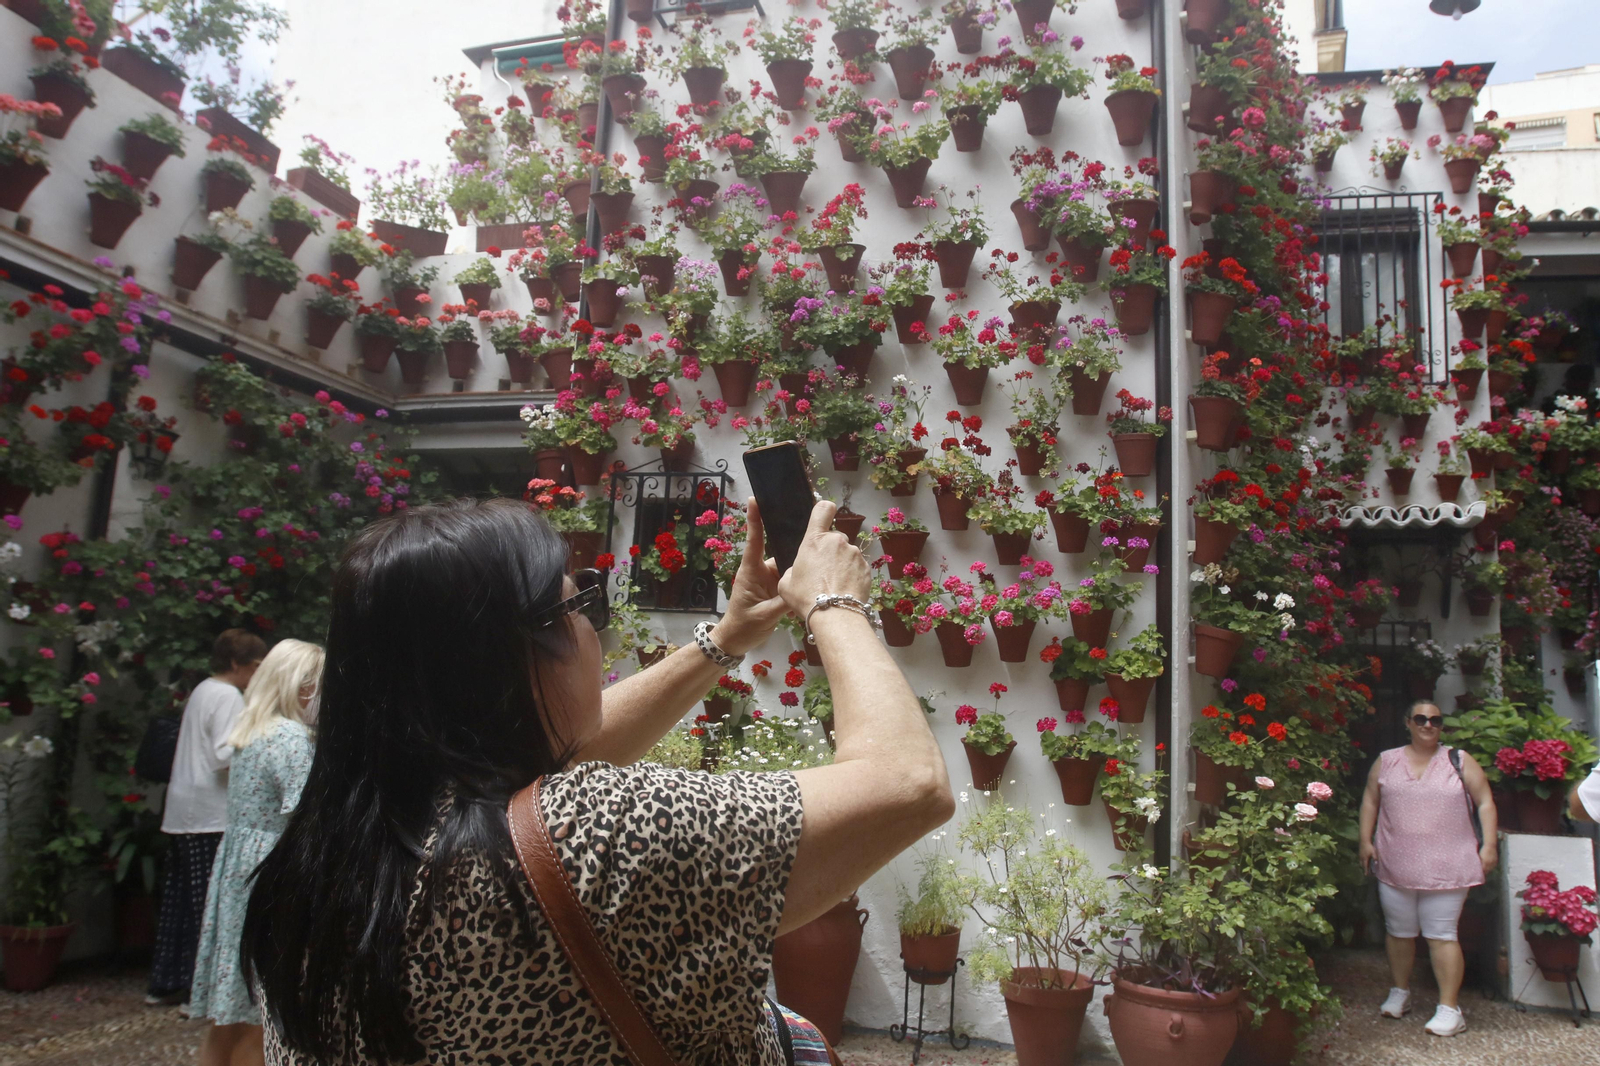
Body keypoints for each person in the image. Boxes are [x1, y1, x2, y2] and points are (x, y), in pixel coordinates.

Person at [242, 496, 954, 1064]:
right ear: (510, 661)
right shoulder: (592, 834)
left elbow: (561, 741)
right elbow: (908, 782)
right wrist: (835, 602)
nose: (595, 632)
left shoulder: (317, 866)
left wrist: (726, 637)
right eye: (579, 607)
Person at [191, 639, 323, 1066]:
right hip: (271, 878)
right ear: (301, 687)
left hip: (238, 872)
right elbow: (306, 815)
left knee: (229, 1018)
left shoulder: (253, 730)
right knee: (263, 1017)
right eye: (320, 686)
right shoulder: (292, 738)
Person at [1358, 700, 1498, 1037]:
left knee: (1442, 936)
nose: (1428, 724)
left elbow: (1485, 802)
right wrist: (1365, 840)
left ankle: (1450, 1009)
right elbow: (1369, 800)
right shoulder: (1387, 761)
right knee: (1399, 931)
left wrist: (1489, 845)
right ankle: (1400, 992)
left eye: (1435, 719)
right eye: (1421, 718)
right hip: (1395, 864)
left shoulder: (1459, 760)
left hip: (1448, 869)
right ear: (1408, 722)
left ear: (1441, 725)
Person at [147, 628, 266, 1007]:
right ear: (236, 663)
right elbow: (222, 755)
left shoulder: (202, 689)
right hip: (209, 813)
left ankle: (166, 983)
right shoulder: (229, 695)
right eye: (255, 666)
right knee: (208, 907)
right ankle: (202, 994)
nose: (258, 674)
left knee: (179, 904)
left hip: (183, 810)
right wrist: (260, 745)